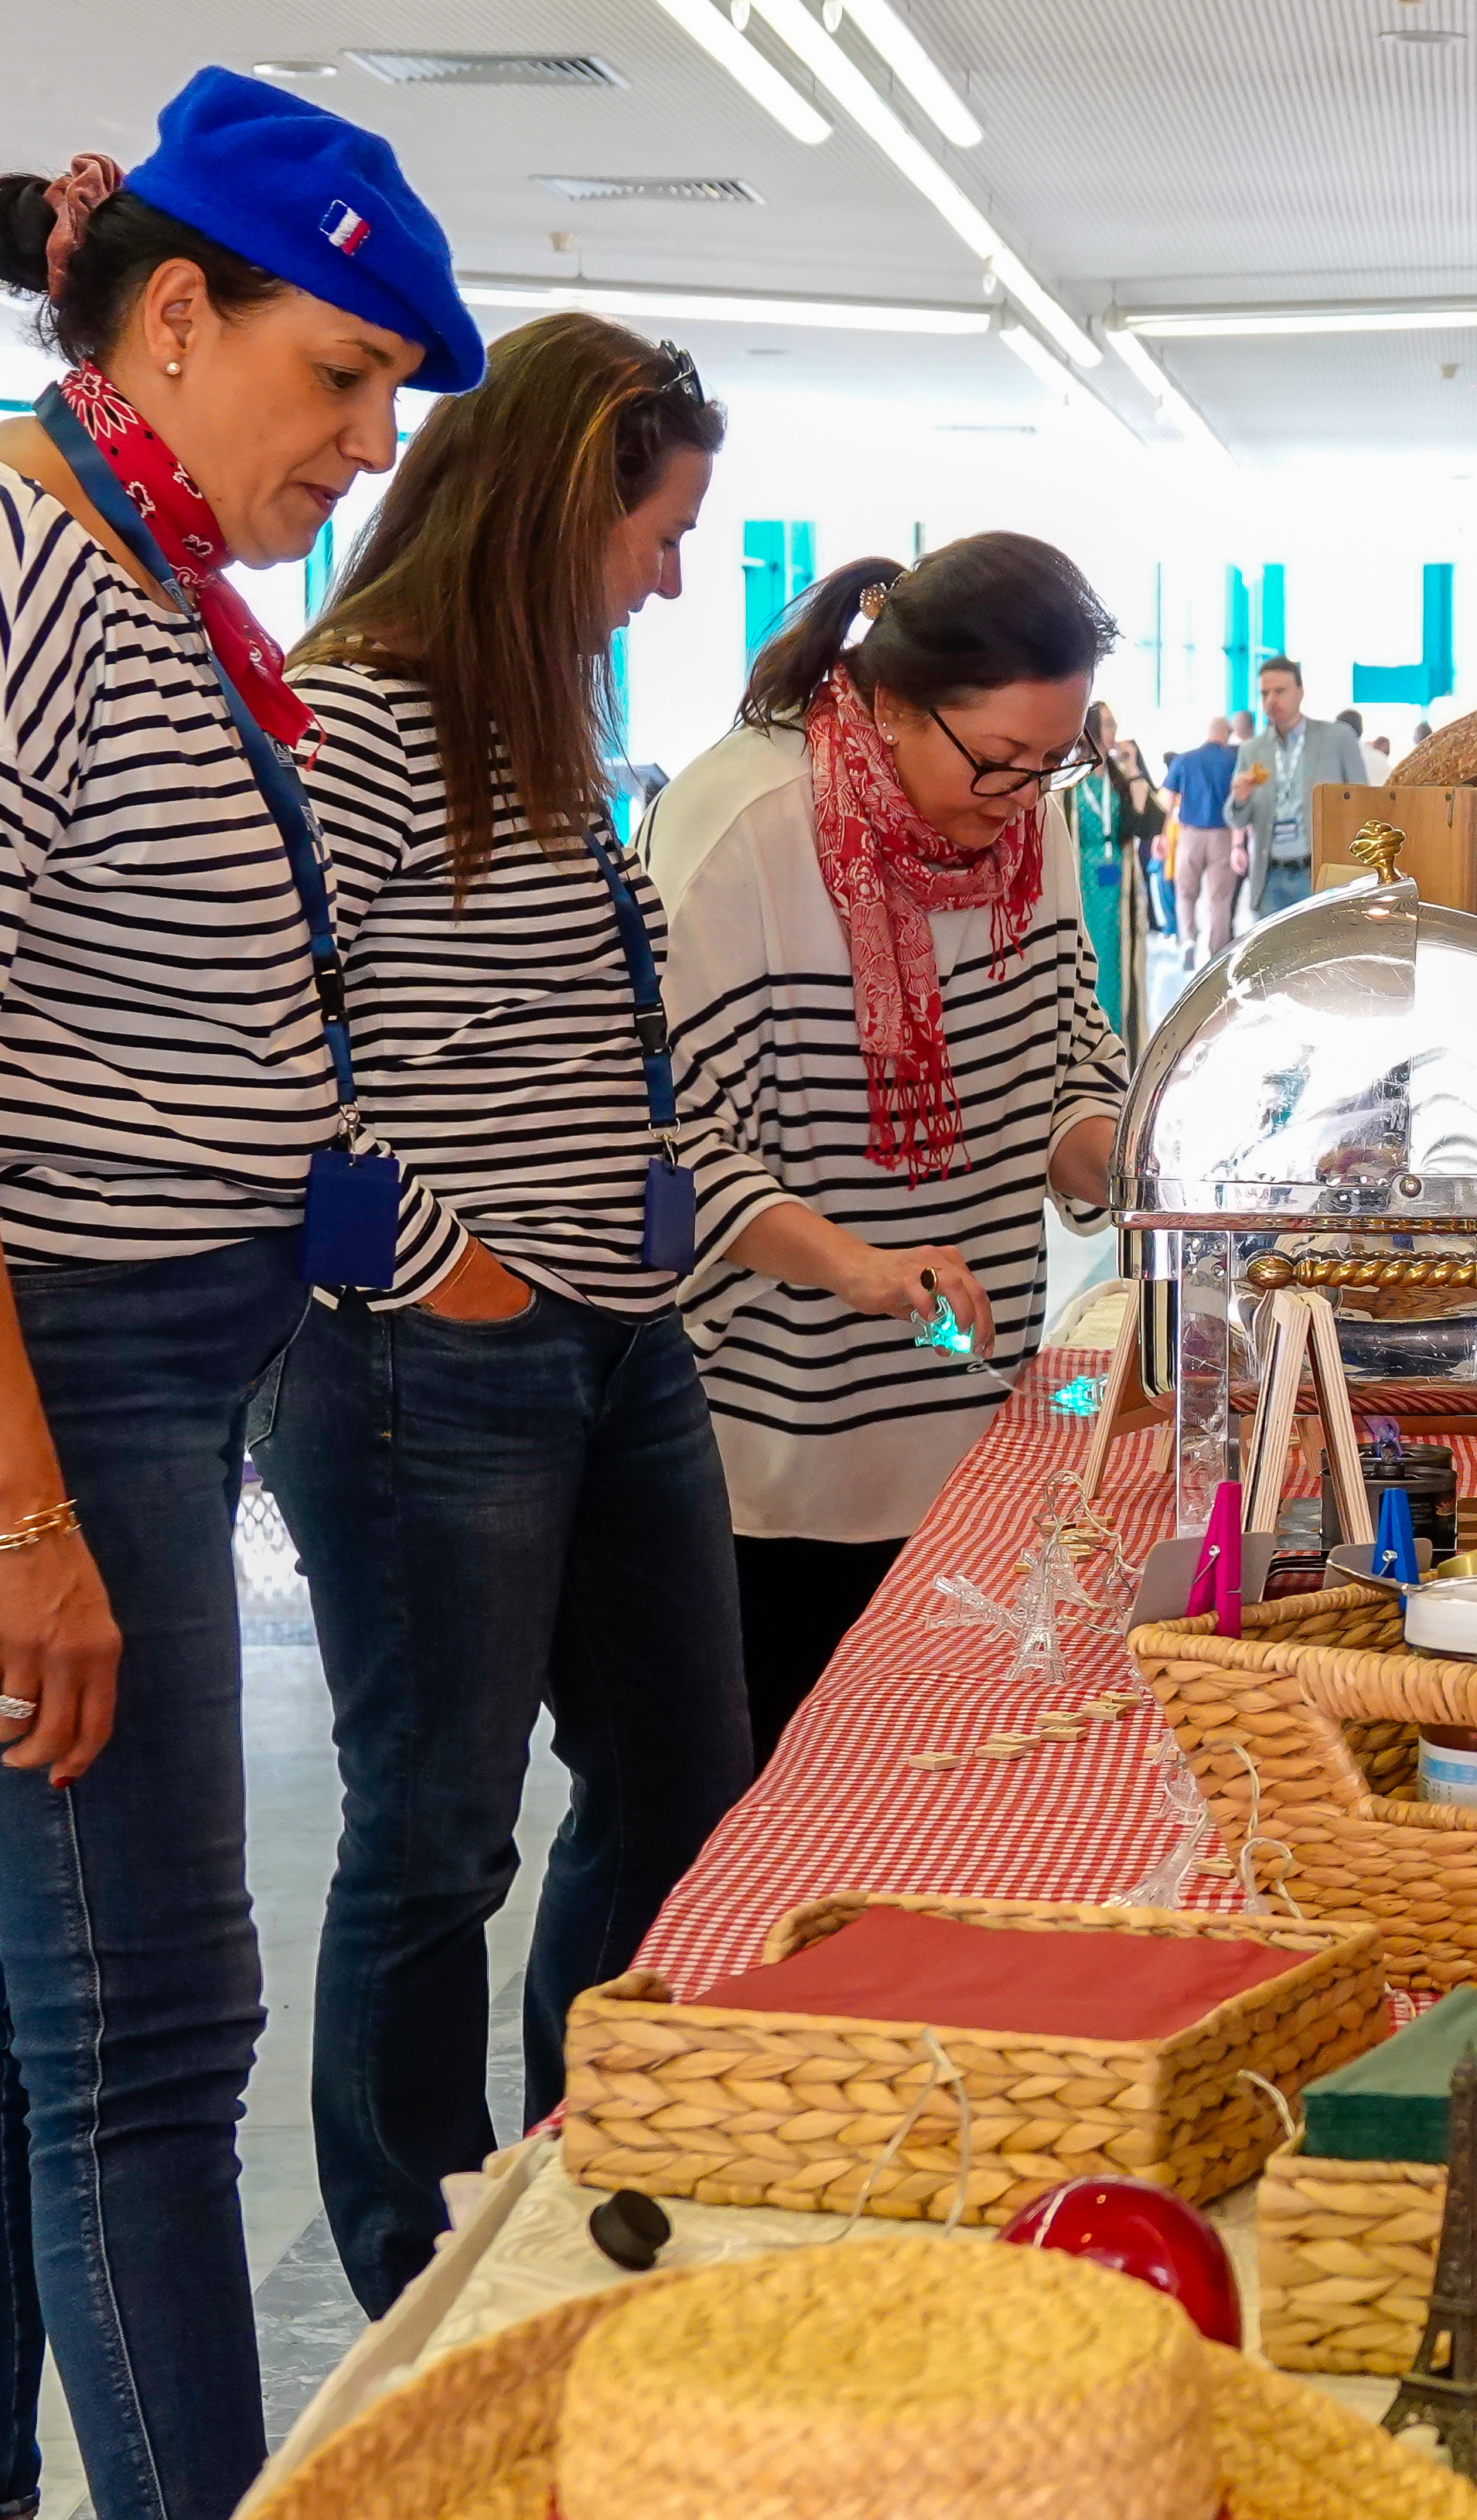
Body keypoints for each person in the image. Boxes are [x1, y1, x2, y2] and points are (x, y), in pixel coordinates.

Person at [0, 70, 480, 2520]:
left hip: (139, 1357)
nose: (360, 443)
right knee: (146, 2033)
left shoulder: (144, 573)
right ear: (175, 313)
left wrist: (416, 1241)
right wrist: (17, 1507)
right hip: (38, 1384)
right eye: (335, 379)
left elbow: (198, 1018)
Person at [261, 315, 769, 2312]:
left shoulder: (549, 716)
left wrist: (649, 1202)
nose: (666, 574)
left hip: (617, 1332)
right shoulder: (354, 715)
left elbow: (577, 1018)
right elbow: (276, 1042)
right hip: (430, 1352)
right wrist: (440, 1256)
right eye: (654, 531)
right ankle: (414, 2261)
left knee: (678, 1784)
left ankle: (577, 2163)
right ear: (559, 504)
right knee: (436, 1829)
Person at [646, 537, 1129, 1761]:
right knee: (766, 1801)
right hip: (775, 1452)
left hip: (973, 1424)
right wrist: (857, 1264)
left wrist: (1133, 1165)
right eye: (999, 760)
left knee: (936, 1792)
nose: (1021, 798)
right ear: (894, 700)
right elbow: (669, 1139)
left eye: (1050, 763)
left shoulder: (1030, 833)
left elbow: (1067, 1058)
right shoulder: (747, 825)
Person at [1229, 655, 1349, 919]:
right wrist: (1240, 798)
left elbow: (1362, 804)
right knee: (1273, 958)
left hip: (1318, 874)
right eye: (1264, 693)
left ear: (1300, 693)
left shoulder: (1336, 739)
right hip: (1270, 876)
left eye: (1280, 691)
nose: (1271, 700)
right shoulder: (1252, 749)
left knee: (1320, 955)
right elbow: (1235, 817)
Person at [1069, 702, 1162, 1037]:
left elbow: (1150, 823)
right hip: (1083, 882)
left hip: (1119, 882)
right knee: (1086, 954)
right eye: (1107, 725)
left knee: (1117, 960)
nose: (1114, 733)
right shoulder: (1070, 779)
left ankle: (1119, 1035)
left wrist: (1136, 770)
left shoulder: (1120, 777)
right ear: (1089, 729)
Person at [1164, 712, 1240, 960]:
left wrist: (1163, 835)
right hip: (1222, 835)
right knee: (1220, 900)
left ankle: (1187, 940)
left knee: (1185, 893)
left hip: (1189, 836)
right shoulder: (1234, 760)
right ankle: (1217, 953)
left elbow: (1167, 800)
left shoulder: (1184, 760)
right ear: (1226, 735)